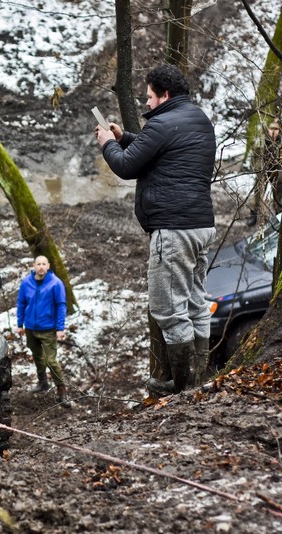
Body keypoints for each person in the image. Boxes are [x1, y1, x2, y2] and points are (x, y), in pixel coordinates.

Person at [95, 63, 216, 396]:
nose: (146, 104)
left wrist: (108, 143)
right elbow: (163, 150)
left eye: (149, 97)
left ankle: (184, 389)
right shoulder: (198, 119)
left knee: (168, 310)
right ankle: (200, 378)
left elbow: (125, 165)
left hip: (173, 231)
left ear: (164, 95)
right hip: (201, 225)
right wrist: (126, 138)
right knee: (195, 303)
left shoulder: (162, 124)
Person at [16, 255, 71, 408]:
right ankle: (43, 382)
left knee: (51, 361)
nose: (41, 267)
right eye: (38, 264)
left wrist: (60, 328)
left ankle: (62, 392)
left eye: (43, 264)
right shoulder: (27, 282)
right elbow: (21, 303)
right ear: (34, 266)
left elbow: (61, 306)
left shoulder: (55, 283)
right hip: (31, 328)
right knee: (37, 357)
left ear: (48, 266)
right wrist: (20, 324)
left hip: (48, 329)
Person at [248, 120, 282, 226]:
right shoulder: (261, 141)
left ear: (279, 131)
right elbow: (253, 155)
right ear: (268, 129)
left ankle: (278, 212)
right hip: (263, 170)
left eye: (276, 129)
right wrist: (256, 168)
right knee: (258, 191)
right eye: (271, 128)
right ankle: (254, 213)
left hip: (276, 171)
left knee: (278, 192)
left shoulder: (280, 142)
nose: (273, 131)